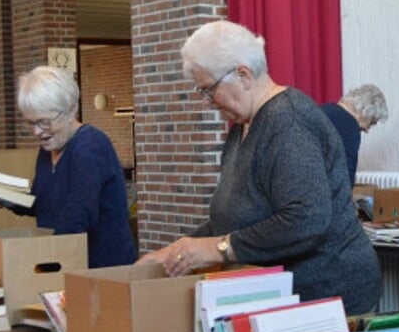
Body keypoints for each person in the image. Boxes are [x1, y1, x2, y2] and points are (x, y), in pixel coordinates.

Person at [135, 20, 382, 315]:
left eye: (209, 90)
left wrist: (218, 249)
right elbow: (235, 217)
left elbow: (306, 219)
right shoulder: (243, 125)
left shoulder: (289, 122)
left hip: (327, 291)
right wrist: (177, 251)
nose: (208, 102)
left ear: (243, 75)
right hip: (285, 291)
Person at [0, 65, 137, 269]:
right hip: (63, 262)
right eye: (30, 123)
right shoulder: (49, 149)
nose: (38, 131)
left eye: (44, 122)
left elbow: (77, 215)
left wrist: (41, 265)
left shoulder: (90, 146)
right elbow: (44, 203)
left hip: (100, 269)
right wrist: (6, 198)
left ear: (71, 109)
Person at [321, 84, 389, 186]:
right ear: (366, 111)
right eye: (371, 122)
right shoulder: (349, 126)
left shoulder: (322, 110)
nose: (366, 130)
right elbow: (345, 180)